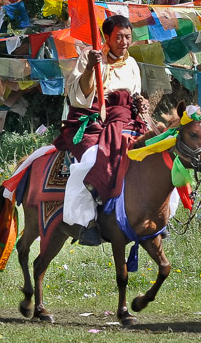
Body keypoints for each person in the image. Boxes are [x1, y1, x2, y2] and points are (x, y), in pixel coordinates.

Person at [55, 15, 148, 244]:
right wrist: (90, 68)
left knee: (154, 152)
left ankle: (149, 213)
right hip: (93, 118)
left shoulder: (133, 63)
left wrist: (140, 103)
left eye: (128, 37)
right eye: (119, 37)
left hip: (125, 118)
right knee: (93, 157)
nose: (124, 42)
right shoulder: (90, 55)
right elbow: (80, 96)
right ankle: (89, 221)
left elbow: (135, 94)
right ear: (106, 37)